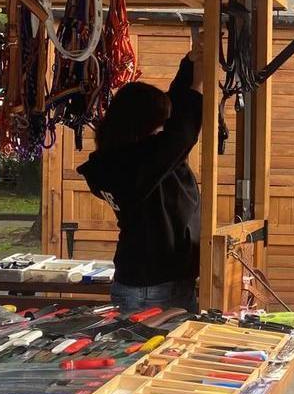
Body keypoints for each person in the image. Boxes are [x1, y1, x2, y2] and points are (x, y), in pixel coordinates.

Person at [78, 47, 203, 312]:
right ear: (143, 123)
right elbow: (180, 134)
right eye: (160, 123)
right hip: (150, 290)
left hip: (157, 282)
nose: (163, 130)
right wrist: (196, 85)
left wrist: (190, 65)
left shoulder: (122, 158)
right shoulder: (137, 164)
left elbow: (175, 120)